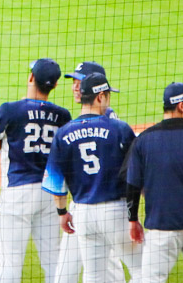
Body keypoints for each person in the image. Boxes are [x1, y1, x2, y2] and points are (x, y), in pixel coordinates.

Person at [0, 59, 72, 283]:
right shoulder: (63, 115)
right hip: (50, 194)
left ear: (31, 78)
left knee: (11, 263)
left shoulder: (10, 110)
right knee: (53, 263)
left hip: (17, 194)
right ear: (55, 85)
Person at [43, 71, 140, 280]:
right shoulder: (119, 129)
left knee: (94, 277)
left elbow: (56, 183)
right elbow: (137, 173)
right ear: (99, 97)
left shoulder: (63, 133)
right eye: (108, 95)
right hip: (116, 212)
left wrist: (62, 213)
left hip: (83, 215)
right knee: (146, 269)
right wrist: (136, 214)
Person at [125, 82, 183, 281]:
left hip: (161, 227)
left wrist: (132, 219)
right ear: (182, 106)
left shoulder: (144, 139)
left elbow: (132, 185)